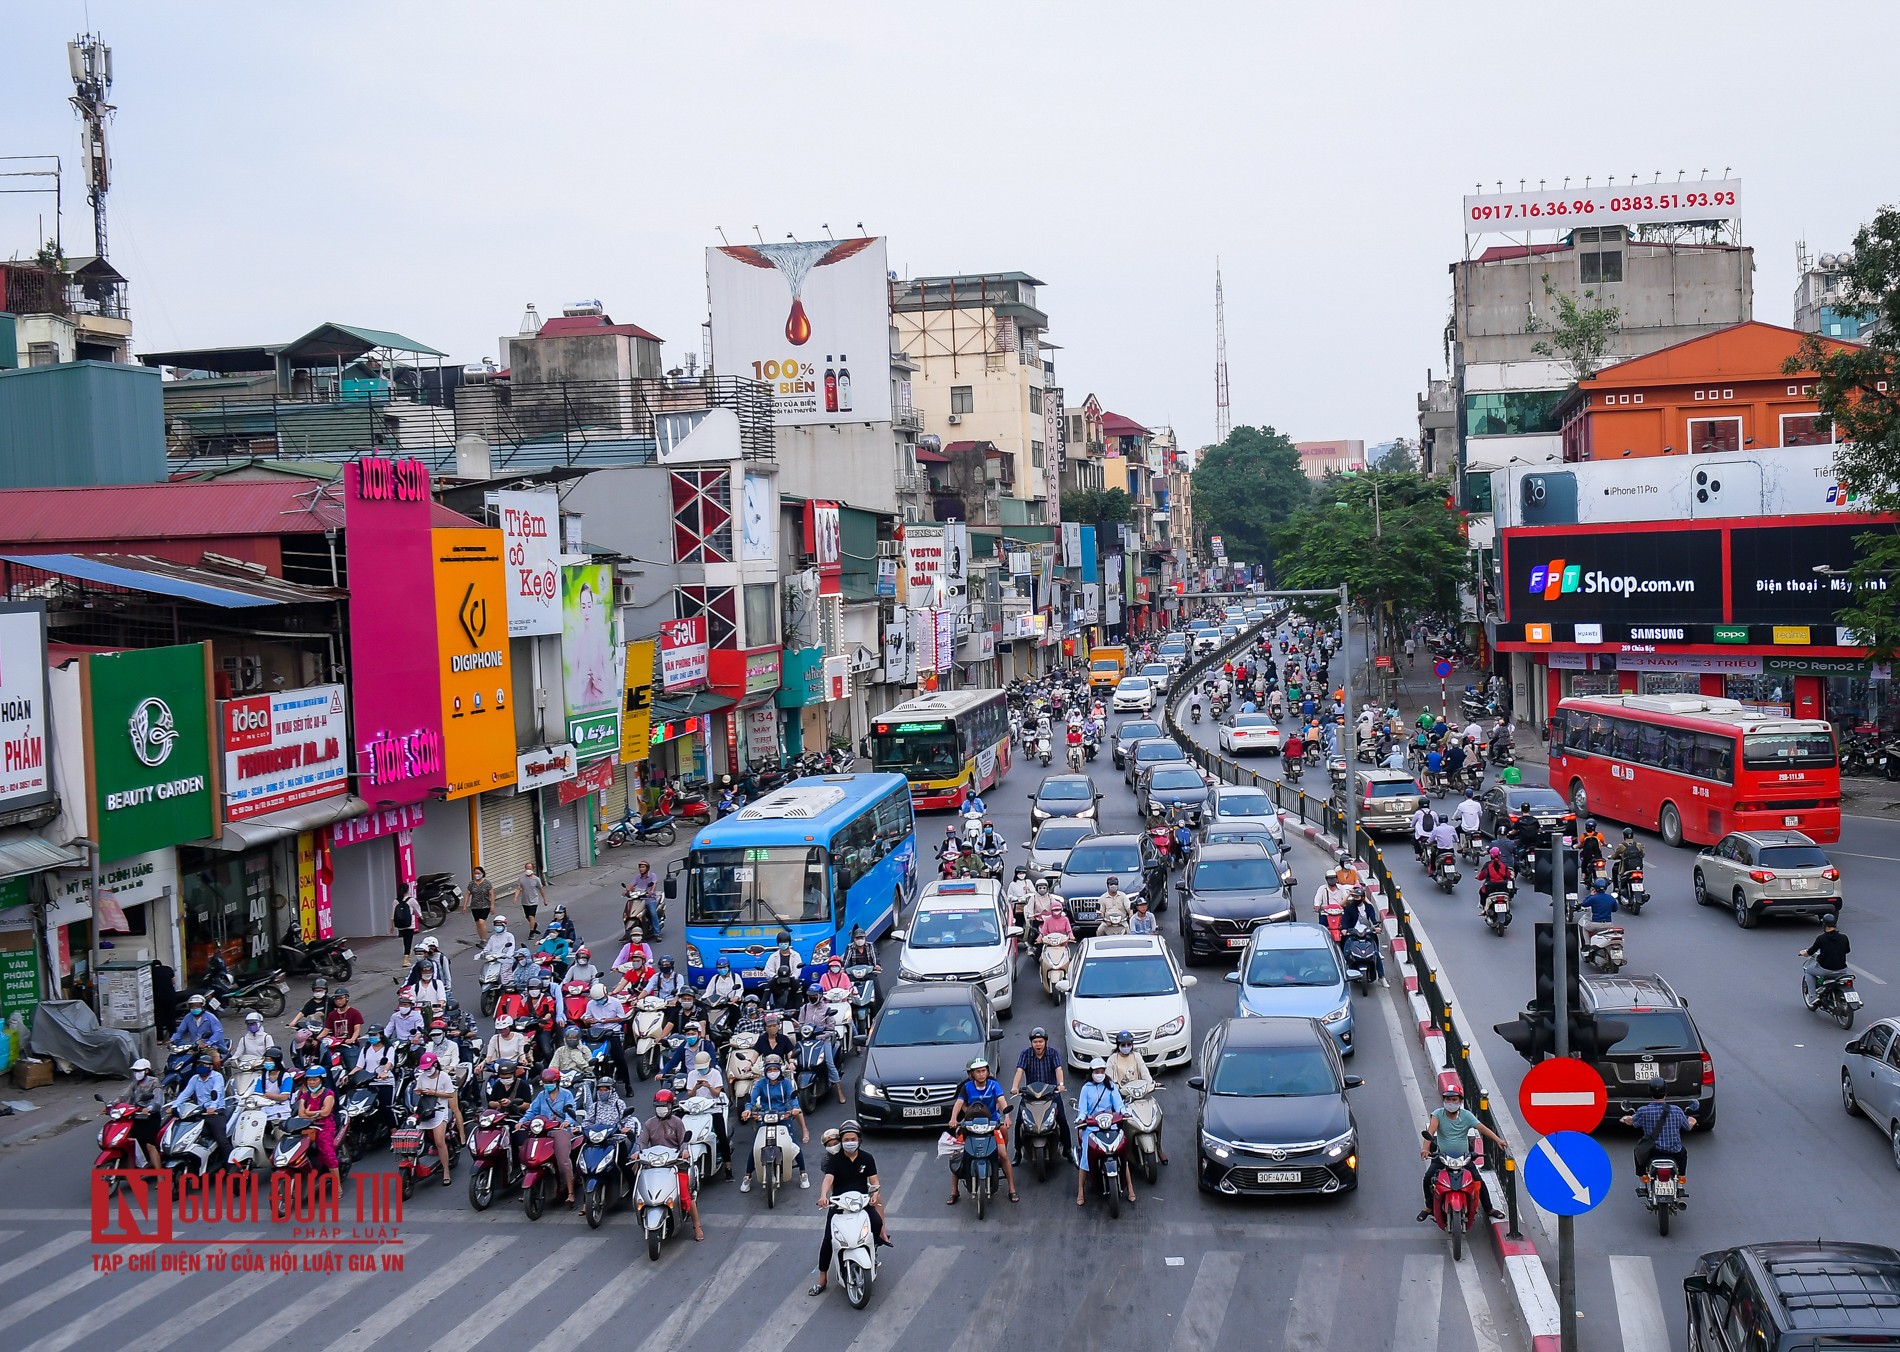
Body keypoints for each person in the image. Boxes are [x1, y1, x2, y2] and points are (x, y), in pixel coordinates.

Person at [809, 1119, 891, 1296]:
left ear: (859, 1139)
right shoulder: (835, 1161)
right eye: (845, 1140)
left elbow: (874, 1181)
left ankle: (873, 1251)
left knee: (876, 1223)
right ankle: (822, 1278)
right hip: (839, 1205)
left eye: (853, 1139)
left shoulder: (867, 1158)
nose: (849, 1142)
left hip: (862, 1203)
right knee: (828, 1240)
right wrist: (823, 1196)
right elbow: (828, 1179)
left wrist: (874, 1194)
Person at [1418, 1085, 1508, 1221]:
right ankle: (1429, 1207)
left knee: (1478, 1181)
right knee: (1428, 1178)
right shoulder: (1438, 1114)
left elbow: (1482, 1128)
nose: (1451, 1103)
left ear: (1460, 1101)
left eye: (1454, 1099)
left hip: (1464, 1158)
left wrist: (1498, 1140)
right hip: (1442, 1157)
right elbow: (1430, 1133)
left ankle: (1489, 1208)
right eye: (1448, 1099)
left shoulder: (1466, 1116)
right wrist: (1425, 1149)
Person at [947, 1057, 1017, 1204]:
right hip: (971, 1125)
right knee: (957, 1154)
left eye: (983, 1071)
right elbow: (959, 1103)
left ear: (987, 1072)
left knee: (1003, 1154)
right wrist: (953, 1118)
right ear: (972, 1074)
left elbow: (1002, 1100)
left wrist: (1007, 1116)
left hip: (992, 1124)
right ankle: (954, 1190)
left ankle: (1012, 1188)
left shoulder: (994, 1085)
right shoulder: (966, 1087)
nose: (981, 1074)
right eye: (978, 1072)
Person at [636, 1088, 704, 1241]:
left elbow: (683, 1142)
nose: (661, 1109)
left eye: (664, 1106)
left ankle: (697, 1226)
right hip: (654, 1164)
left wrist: (684, 1151)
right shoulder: (649, 1124)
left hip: (674, 1163)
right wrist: (638, 1151)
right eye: (658, 1106)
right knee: (641, 1187)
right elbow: (641, 1142)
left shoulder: (677, 1123)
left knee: (686, 1195)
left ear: (670, 1106)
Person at [740, 1054, 810, 1191]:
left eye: (775, 1069)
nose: (772, 1072)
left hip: (783, 1117)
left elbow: (792, 1098)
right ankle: (747, 1176)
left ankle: (803, 1173)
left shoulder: (786, 1083)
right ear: (765, 1071)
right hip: (765, 1116)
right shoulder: (760, 1084)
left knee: (794, 1144)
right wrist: (747, 1110)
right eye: (769, 1069)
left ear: (779, 1069)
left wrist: (795, 1108)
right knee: (756, 1147)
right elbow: (752, 1100)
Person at [1009, 1028, 1070, 1164]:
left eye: (1040, 1041)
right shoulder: (1025, 1054)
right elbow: (1019, 1071)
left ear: (1045, 1042)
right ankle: (1018, 1152)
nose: (1038, 1044)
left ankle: (1068, 1149)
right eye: (1035, 1042)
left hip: (1051, 1094)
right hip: (1031, 1095)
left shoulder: (1053, 1053)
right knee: (1019, 1122)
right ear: (1031, 1043)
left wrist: (1060, 1084)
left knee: (1062, 1120)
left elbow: (1058, 1069)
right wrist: (1015, 1087)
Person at [1075, 1058, 1131, 1206]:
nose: (1099, 1074)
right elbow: (1082, 1110)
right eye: (1096, 1072)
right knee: (1085, 1157)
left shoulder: (1111, 1086)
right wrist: (1081, 1119)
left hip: (1111, 1126)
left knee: (1122, 1154)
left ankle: (1131, 1188)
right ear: (1091, 1073)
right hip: (1092, 1127)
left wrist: (1124, 1113)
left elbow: (1119, 1105)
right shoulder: (1086, 1088)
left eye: (1101, 1071)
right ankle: (1080, 1190)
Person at [1106, 1031, 1167, 1165]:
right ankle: (1120, 1151)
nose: (1126, 1046)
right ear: (1118, 1045)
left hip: (1140, 1095)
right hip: (1122, 1097)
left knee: (1157, 1114)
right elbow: (1109, 1079)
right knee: (1116, 1122)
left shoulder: (1137, 1056)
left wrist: (1151, 1084)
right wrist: (1115, 1089)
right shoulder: (1112, 1059)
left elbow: (1144, 1072)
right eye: (1123, 1044)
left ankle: (1158, 1147)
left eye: (1129, 1044)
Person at [523, 1067, 581, 1206]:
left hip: (560, 1130)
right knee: (529, 1155)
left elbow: (571, 1110)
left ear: (557, 1081)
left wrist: (567, 1121)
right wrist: (522, 1122)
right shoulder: (541, 1096)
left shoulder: (566, 1094)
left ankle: (570, 1192)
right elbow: (532, 1111)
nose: (547, 1085)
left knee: (563, 1161)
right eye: (545, 1082)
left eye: (550, 1082)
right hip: (542, 1131)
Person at [1621, 1082, 1695, 1186]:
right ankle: (1681, 1176)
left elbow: (1633, 1122)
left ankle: (1642, 1177)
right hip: (1674, 1151)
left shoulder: (1643, 1111)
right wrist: (1692, 1121)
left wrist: (1626, 1119)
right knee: (1683, 1153)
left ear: (1650, 1094)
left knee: (1638, 1151)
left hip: (1652, 1151)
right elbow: (1688, 1127)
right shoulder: (1677, 1111)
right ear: (1666, 1093)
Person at [295, 1066, 343, 1195]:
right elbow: (301, 1114)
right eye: (309, 1080)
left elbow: (326, 1112)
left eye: (314, 1080)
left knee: (327, 1153)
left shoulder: (328, 1094)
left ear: (321, 1080)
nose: (311, 1083)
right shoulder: (305, 1095)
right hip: (307, 1126)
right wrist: (315, 1114)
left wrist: (309, 1112)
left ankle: (337, 1186)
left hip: (325, 1126)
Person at [114, 1057, 165, 1170]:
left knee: (149, 1145)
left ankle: (160, 1176)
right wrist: (111, 1105)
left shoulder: (154, 1081)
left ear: (146, 1071)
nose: (136, 1073)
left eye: (139, 1070)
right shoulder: (135, 1083)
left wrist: (150, 1108)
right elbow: (124, 1097)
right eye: (135, 1071)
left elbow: (158, 1100)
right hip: (135, 1116)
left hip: (150, 1117)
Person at [1801, 913, 1852, 1007]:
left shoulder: (1821, 938)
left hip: (1825, 970)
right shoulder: (1844, 937)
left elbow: (1810, 952)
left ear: (1824, 925)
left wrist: (1804, 953)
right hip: (1842, 970)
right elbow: (1847, 950)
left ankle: (1812, 996)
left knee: (1808, 971)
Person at [173, 994, 229, 1060]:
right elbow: (180, 1031)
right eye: (192, 1006)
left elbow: (218, 1032)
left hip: (212, 1046)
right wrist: (173, 1040)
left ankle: (217, 1070)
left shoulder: (211, 1017)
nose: (194, 1008)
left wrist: (207, 1043)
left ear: (203, 1006)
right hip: (194, 1046)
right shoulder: (188, 1017)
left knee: (216, 1059)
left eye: (197, 1006)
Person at [325, 988, 365, 1067]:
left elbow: (357, 1030)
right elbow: (326, 1029)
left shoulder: (354, 1013)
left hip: (349, 1046)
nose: (338, 1001)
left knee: (352, 1066)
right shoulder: (332, 1014)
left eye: (340, 998)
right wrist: (317, 1038)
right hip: (334, 1046)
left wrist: (352, 1039)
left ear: (347, 998)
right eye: (336, 999)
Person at [514, 867, 545, 939]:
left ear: (533, 869)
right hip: (525, 901)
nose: (528, 870)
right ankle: (534, 924)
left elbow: (541, 889)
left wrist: (544, 899)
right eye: (527, 868)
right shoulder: (521, 878)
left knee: (531, 916)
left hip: (534, 900)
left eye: (530, 868)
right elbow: (518, 888)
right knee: (527, 917)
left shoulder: (536, 879)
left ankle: (531, 933)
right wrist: (516, 897)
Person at [392, 884, 422, 958]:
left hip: (400, 923)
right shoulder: (411, 900)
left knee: (405, 939)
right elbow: (417, 909)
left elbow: (392, 914)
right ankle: (406, 955)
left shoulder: (396, 900)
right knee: (409, 939)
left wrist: (391, 925)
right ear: (408, 890)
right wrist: (420, 916)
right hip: (410, 923)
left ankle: (407, 951)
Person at [467, 866, 495, 944]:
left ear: (482, 874)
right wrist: (465, 905)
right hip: (475, 906)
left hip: (485, 906)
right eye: (475, 873)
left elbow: (492, 894)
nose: (477, 875)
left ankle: (484, 939)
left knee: (481, 921)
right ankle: (481, 937)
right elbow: (468, 894)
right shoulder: (471, 884)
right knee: (478, 923)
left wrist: (492, 906)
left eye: (478, 873)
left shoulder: (487, 883)